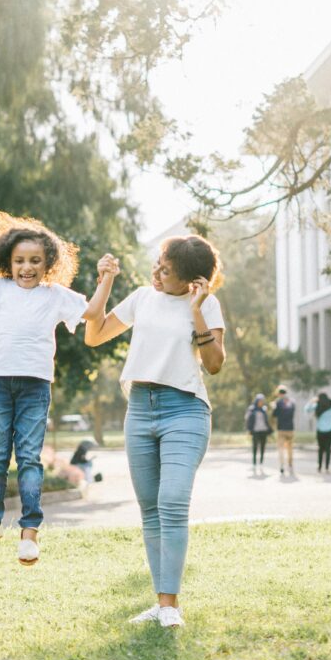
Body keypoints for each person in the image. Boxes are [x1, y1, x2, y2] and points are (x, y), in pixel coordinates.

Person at [0, 211, 117, 565]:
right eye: (19, 261)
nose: (26, 267)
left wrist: (105, 279)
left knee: (29, 457)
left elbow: (92, 312)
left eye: (35, 261)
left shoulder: (55, 295)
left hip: (35, 385)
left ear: (49, 264)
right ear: (8, 262)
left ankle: (29, 533)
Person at [85, 234, 225, 629]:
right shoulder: (143, 298)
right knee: (151, 512)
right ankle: (162, 603)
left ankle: (170, 606)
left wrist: (196, 310)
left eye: (168, 270)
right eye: (159, 265)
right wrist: (106, 281)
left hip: (185, 409)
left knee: (173, 501)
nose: (158, 273)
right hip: (140, 409)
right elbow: (93, 336)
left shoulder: (207, 304)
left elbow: (214, 364)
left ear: (193, 281)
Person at [305, 391, 331, 474]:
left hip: (320, 430)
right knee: (328, 449)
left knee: (320, 449)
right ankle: (327, 467)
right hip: (330, 430)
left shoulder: (316, 406)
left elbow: (306, 409)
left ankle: (319, 467)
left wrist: (311, 401)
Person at [271, 385, 297, 475]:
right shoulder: (292, 402)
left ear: (279, 394)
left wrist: (274, 407)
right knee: (290, 448)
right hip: (290, 428)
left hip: (281, 428)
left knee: (281, 448)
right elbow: (293, 413)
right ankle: (290, 464)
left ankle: (282, 465)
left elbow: (274, 415)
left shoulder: (278, 403)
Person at [244, 393, 272, 473]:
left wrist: (269, 430)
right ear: (257, 401)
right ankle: (254, 463)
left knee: (263, 447)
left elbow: (266, 420)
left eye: (262, 401)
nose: (261, 402)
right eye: (260, 400)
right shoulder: (252, 409)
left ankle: (261, 463)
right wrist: (249, 429)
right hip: (255, 431)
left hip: (264, 431)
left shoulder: (264, 409)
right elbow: (247, 419)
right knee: (255, 447)